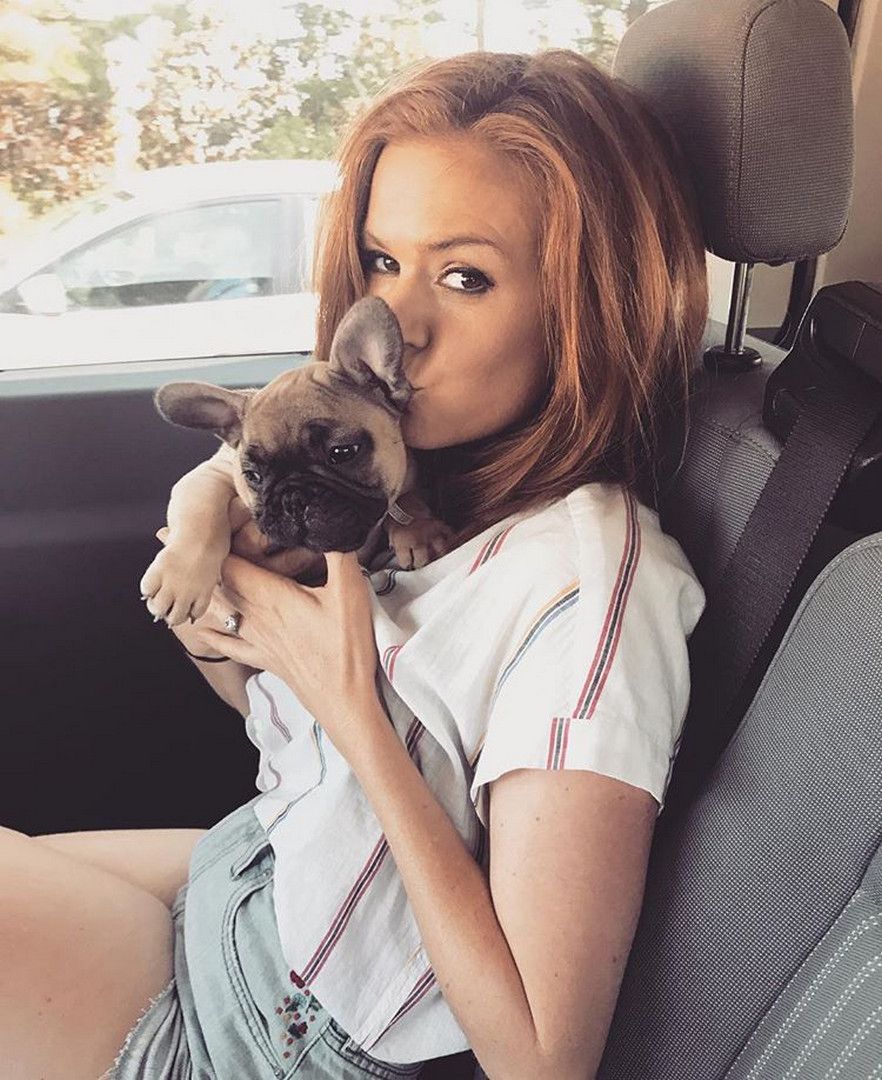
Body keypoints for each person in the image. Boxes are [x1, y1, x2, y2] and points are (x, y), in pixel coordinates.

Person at [0, 48, 708, 1079]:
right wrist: (231, 637)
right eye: (381, 262)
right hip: (258, 878)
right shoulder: (430, 482)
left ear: (584, 307)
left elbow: (539, 1060)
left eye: (465, 276)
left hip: (273, 1030)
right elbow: (292, 730)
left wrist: (351, 708)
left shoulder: (591, 592)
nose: (398, 327)